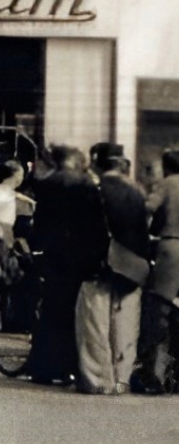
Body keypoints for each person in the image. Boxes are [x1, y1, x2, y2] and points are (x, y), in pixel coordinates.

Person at [75, 145, 150, 394]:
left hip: (101, 262)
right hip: (133, 265)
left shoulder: (93, 190)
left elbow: (85, 231)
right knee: (126, 323)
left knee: (96, 323)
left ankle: (99, 380)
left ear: (97, 163)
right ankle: (121, 379)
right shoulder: (137, 191)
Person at [28, 144, 105, 385]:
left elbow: (41, 223)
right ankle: (70, 366)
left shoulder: (49, 184)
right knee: (75, 312)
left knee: (51, 309)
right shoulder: (86, 185)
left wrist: (37, 250)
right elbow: (97, 225)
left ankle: (44, 366)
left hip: (55, 255)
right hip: (81, 256)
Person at [132, 148, 179, 393]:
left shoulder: (169, 183)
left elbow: (148, 207)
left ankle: (153, 374)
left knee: (159, 311)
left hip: (171, 248)